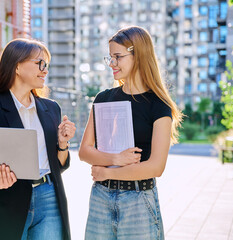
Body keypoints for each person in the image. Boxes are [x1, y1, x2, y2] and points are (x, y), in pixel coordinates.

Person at [79, 26, 183, 240]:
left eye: (118, 57)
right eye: (110, 57)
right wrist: (115, 159)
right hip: (100, 198)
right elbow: (84, 151)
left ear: (139, 56)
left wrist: (109, 172)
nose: (112, 64)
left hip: (138, 201)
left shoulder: (159, 105)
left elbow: (156, 167)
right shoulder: (103, 98)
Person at [0, 38, 76, 240]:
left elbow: (58, 166)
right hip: (5, 199)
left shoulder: (51, 108)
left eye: (46, 65)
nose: (45, 70)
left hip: (49, 196)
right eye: (39, 63)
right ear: (17, 66)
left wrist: (62, 144)